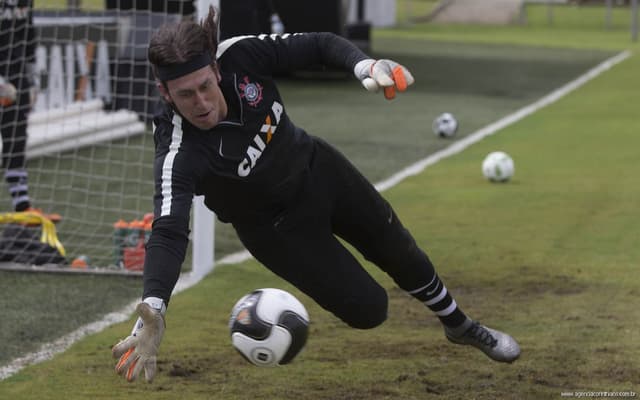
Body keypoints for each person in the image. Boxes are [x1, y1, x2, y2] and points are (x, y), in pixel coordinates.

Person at [112, 6, 520, 383]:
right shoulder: (177, 153)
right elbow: (168, 231)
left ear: (215, 70)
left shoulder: (241, 56)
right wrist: (156, 307)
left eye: (204, 86)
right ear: (166, 94)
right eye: (185, 95)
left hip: (320, 170)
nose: (200, 103)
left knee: (403, 254)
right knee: (370, 311)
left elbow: (321, 43)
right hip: (276, 231)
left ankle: (461, 326)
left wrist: (365, 63)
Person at [0, 0, 59, 221]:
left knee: (16, 137)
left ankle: (22, 206)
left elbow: (28, 33)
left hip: (16, 75)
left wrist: (32, 79)